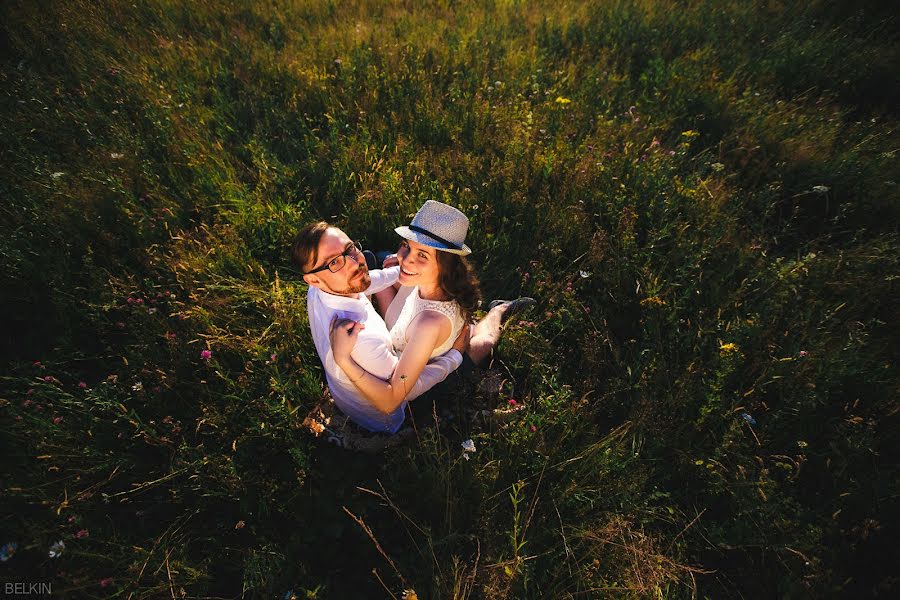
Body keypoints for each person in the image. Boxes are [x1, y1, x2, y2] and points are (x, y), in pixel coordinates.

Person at [329, 200, 534, 425]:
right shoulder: (426, 281)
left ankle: (499, 308)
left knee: (483, 341)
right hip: (418, 333)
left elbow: (393, 400)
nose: (406, 259)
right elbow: (405, 270)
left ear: (444, 266)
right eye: (406, 245)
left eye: (422, 255)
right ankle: (380, 266)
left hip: (436, 371)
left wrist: (343, 358)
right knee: (393, 275)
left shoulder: (429, 323)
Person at [293, 221, 467, 434]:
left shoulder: (319, 289)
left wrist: (403, 270)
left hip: (345, 395)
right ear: (313, 279)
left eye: (350, 249)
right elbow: (393, 398)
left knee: (384, 262)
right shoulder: (362, 337)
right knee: (475, 342)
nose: (354, 263)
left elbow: (370, 281)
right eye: (335, 262)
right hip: (384, 415)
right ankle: (501, 312)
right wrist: (455, 356)